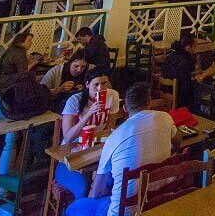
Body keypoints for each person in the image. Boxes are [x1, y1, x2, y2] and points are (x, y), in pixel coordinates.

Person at [65, 82, 178, 216]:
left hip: (124, 211)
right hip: (160, 201)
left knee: (74, 208)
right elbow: (177, 141)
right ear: (150, 103)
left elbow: (96, 193)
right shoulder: (166, 118)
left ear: (124, 108)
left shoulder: (115, 137)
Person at [60, 70, 121, 145]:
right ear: (87, 84)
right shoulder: (74, 100)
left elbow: (109, 127)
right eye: (96, 84)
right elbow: (67, 139)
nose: (100, 88)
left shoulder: (113, 95)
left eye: (104, 84)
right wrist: (89, 113)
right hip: (75, 143)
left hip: (97, 140)